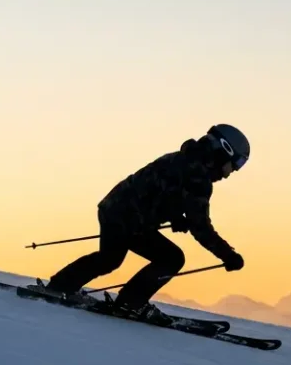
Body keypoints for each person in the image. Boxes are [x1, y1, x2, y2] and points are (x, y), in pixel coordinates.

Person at [42, 124, 248, 319]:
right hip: (131, 219)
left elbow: (161, 189)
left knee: (109, 259)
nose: (230, 173)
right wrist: (228, 255)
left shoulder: (184, 159)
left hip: (113, 208)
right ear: (223, 151)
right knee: (172, 258)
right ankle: (130, 303)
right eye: (234, 165)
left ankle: (60, 287)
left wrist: (176, 215)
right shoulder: (199, 177)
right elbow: (201, 227)